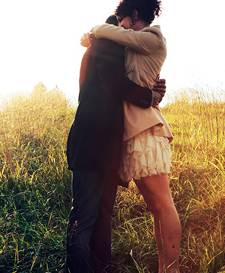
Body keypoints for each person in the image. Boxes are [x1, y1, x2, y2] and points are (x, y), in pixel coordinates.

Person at [87, 0, 181, 273]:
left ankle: (173, 270)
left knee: (163, 205)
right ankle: (165, 269)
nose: (121, 24)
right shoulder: (134, 42)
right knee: (156, 208)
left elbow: (111, 34)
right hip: (135, 129)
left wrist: (98, 28)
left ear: (135, 15)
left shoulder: (153, 38)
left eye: (122, 18)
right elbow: (99, 41)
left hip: (146, 129)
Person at [66, 15, 166, 273]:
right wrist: (148, 94)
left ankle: (102, 269)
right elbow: (115, 82)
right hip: (92, 143)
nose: (130, 35)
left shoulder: (108, 47)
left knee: (101, 217)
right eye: (126, 28)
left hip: (107, 146)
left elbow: (121, 84)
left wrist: (150, 90)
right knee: (86, 217)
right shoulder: (106, 43)